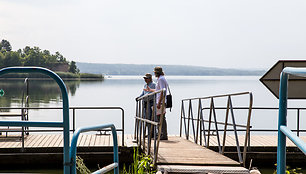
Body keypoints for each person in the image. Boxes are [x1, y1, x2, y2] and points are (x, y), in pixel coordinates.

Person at [146, 66, 168, 140]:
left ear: (157, 72)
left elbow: (162, 91)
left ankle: (163, 135)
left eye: (155, 72)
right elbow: (158, 90)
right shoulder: (161, 78)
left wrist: (158, 103)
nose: (154, 74)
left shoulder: (161, 79)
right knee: (160, 118)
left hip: (161, 102)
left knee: (161, 118)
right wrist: (150, 90)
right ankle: (161, 134)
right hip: (161, 101)